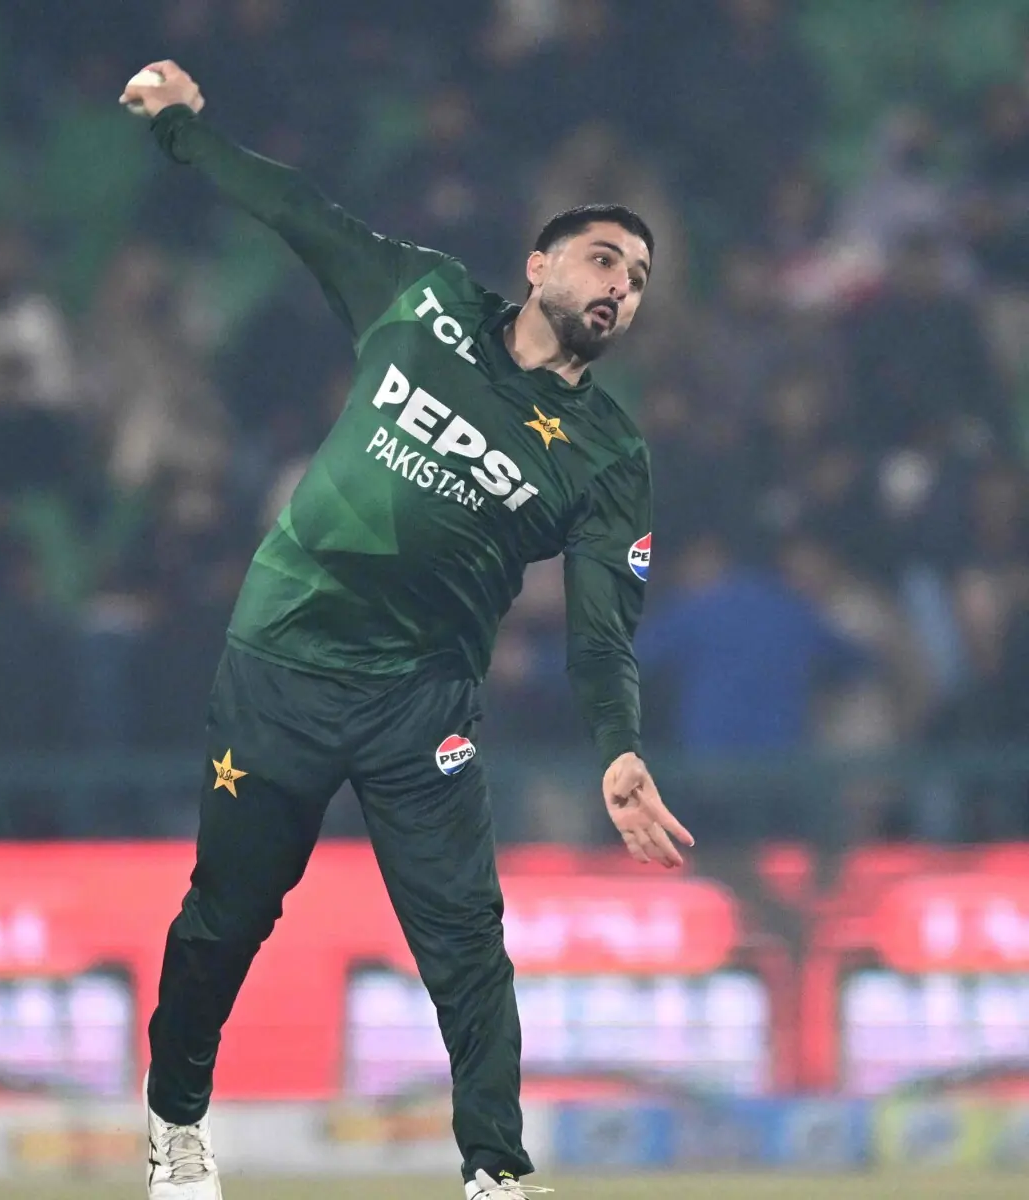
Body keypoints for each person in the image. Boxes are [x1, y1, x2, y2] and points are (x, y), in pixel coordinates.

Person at [119, 62, 692, 1200]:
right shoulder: (420, 300)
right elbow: (297, 213)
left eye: (636, 279)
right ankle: (175, 1123)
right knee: (226, 921)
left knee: (467, 943)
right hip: (280, 665)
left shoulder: (608, 458)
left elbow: (599, 636)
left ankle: (495, 1174)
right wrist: (183, 128)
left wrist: (618, 748)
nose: (620, 287)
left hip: (420, 705)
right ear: (537, 264)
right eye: (602, 259)